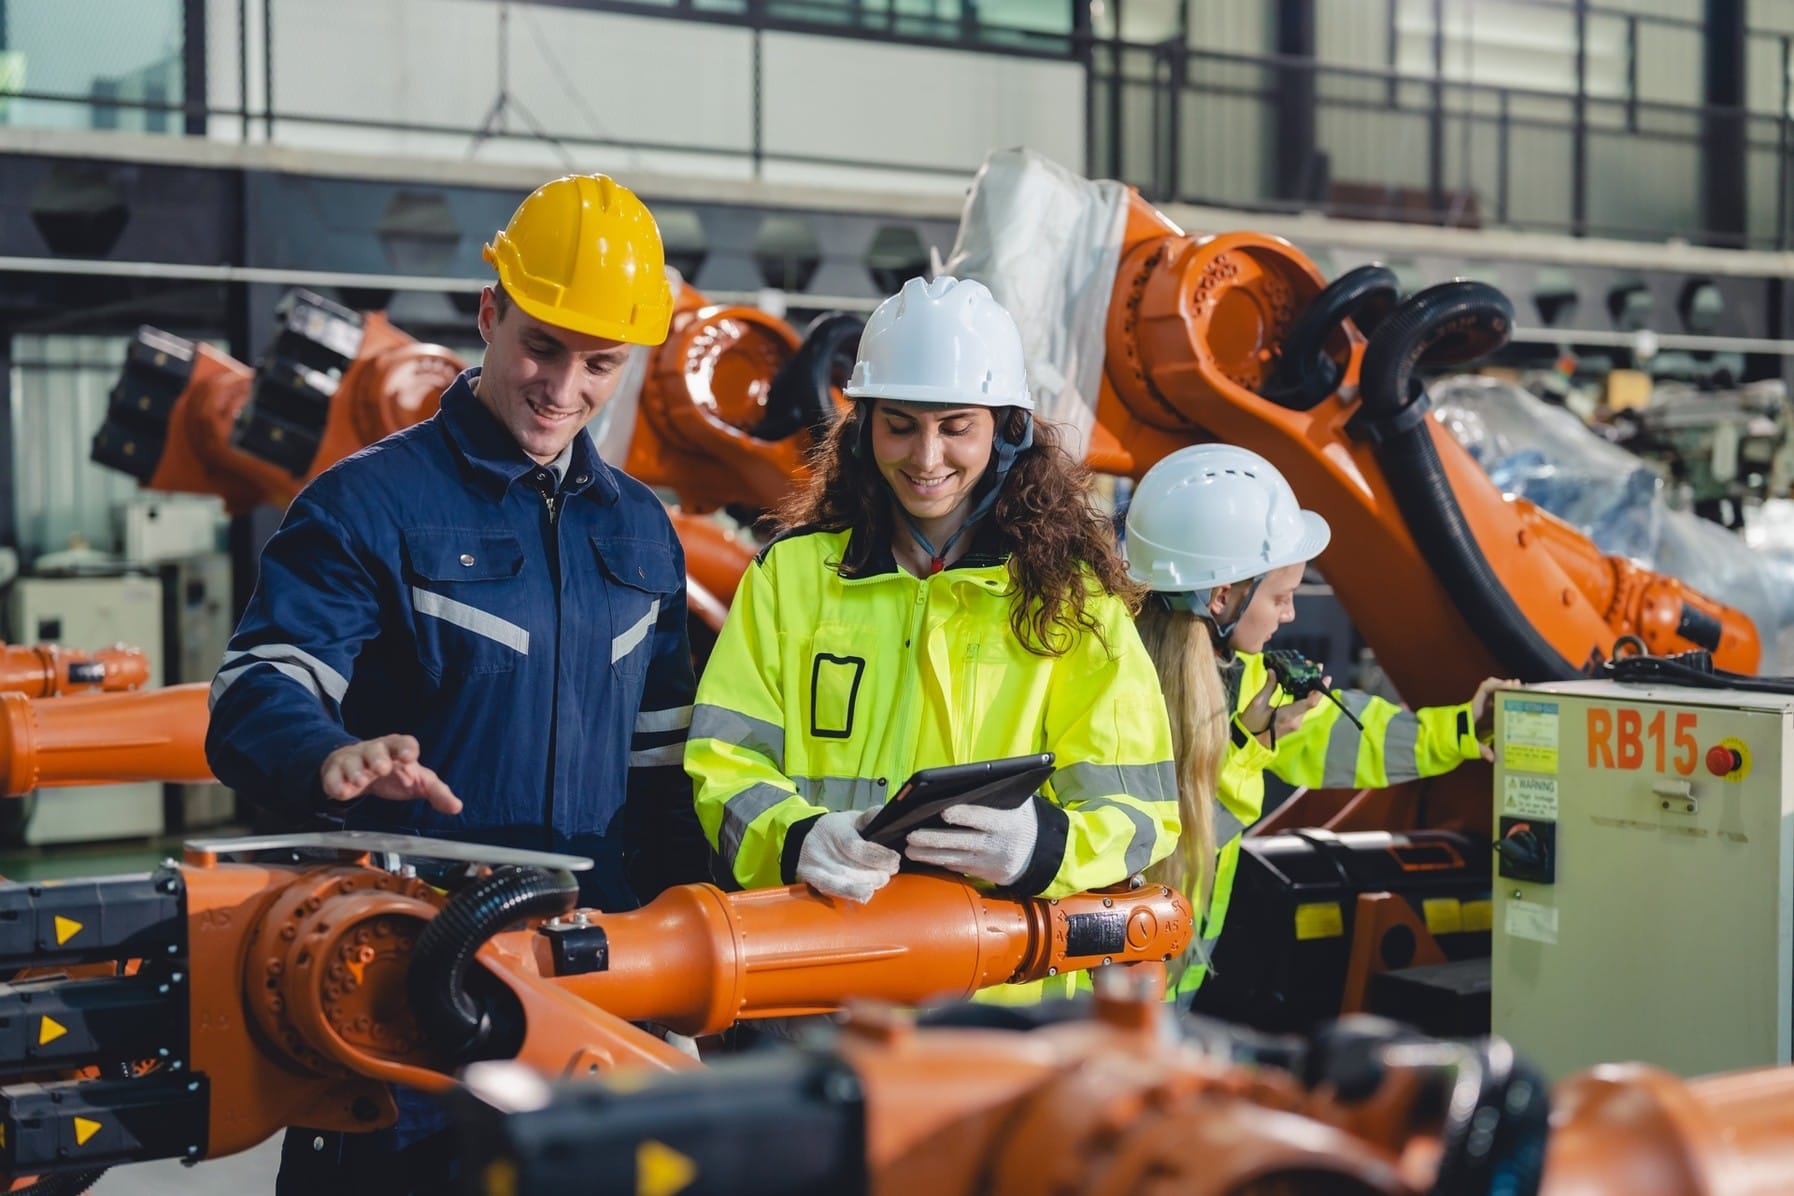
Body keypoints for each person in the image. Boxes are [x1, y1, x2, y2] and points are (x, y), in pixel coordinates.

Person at [205, 174, 703, 1193]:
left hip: (592, 991)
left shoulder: (642, 531)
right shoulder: (367, 503)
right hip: (402, 994)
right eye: (541, 347)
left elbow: (663, 771)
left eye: (600, 363)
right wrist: (329, 753)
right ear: (488, 314)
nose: (562, 388)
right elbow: (257, 686)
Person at [683, 275, 1179, 997]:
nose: (925, 457)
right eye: (900, 425)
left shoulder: (1072, 602)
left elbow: (1139, 809)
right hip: (817, 974)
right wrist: (796, 838)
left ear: (1005, 431)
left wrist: (1040, 847)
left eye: (955, 427)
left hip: (996, 1002)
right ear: (864, 426)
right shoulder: (791, 578)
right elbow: (723, 762)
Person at [1121, 443, 1508, 1001]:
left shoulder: (1248, 677)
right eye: (1282, 596)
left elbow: (1350, 734)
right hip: (1103, 990)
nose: (1291, 613)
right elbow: (1160, 844)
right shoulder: (1119, 690)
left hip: (1169, 980)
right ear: (1223, 596)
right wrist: (1249, 746)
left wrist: (1465, 728)